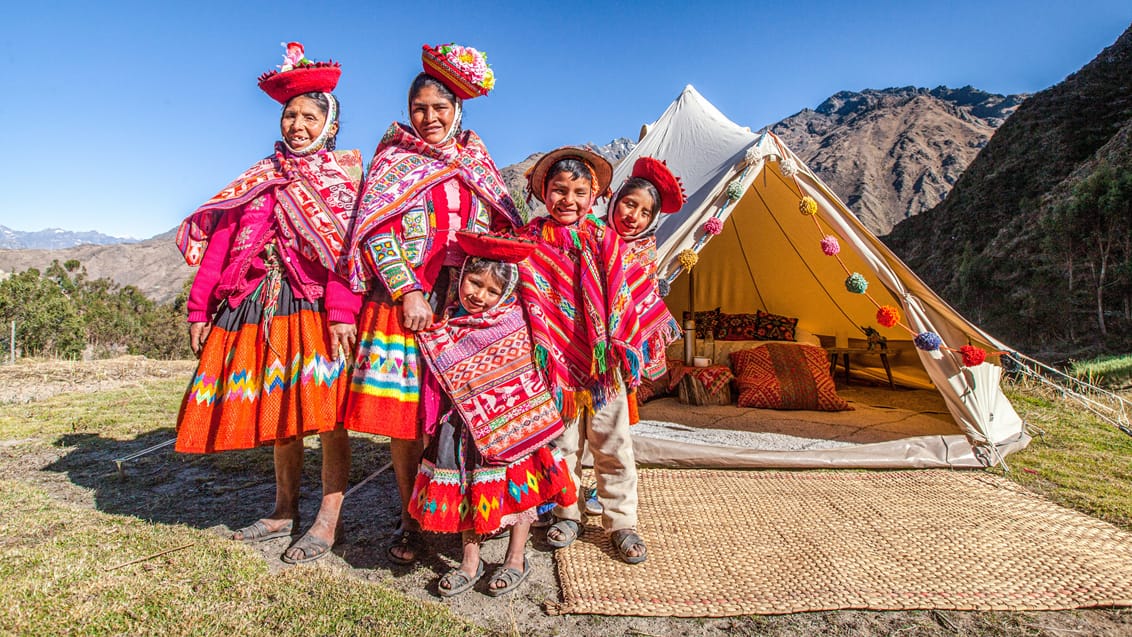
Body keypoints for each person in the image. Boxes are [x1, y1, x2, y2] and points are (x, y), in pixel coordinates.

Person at [174, 42, 362, 564]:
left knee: (326, 413)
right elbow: (222, 244)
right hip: (257, 303)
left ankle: (329, 518)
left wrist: (343, 311)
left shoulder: (343, 181)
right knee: (281, 411)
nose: (296, 125)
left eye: (308, 116)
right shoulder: (260, 178)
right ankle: (282, 509)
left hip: (316, 307)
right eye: (290, 115)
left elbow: (349, 253)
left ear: (330, 125)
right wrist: (198, 308)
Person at [344, 43, 522, 566]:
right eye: (419, 108)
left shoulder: (477, 159)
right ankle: (411, 516)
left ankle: (466, 508)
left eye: (439, 109)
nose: (428, 118)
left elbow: (498, 226)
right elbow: (375, 231)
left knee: (458, 413)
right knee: (406, 417)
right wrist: (409, 290)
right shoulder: (394, 158)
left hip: (466, 303)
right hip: (409, 302)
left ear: (458, 110)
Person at [410, 231, 576, 597]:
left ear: (506, 294)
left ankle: (516, 557)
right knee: (469, 488)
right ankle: (470, 560)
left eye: (491, 291)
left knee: (520, 489)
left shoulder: (516, 322)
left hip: (516, 426)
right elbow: (438, 380)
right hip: (463, 427)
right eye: (474, 282)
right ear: (462, 275)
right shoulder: (448, 325)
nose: (479, 296)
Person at [516, 147, 650, 564]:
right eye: (559, 190)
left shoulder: (604, 239)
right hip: (554, 365)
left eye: (578, 191)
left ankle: (621, 521)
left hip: (604, 365)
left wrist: (617, 343)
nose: (568, 201)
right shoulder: (530, 240)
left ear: (593, 195)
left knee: (613, 443)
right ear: (544, 192)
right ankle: (567, 512)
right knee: (562, 445)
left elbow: (624, 297)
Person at [579, 157, 687, 516]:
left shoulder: (643, 254)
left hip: (613, 363)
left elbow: (640, 309)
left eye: (644, 212)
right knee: (565, 440)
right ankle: (565, 504)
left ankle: (616, 511)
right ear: (614, 200)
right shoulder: (583, 233)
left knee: (614, 438)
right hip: (573, 351)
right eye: (629, 204)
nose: (633, 216)